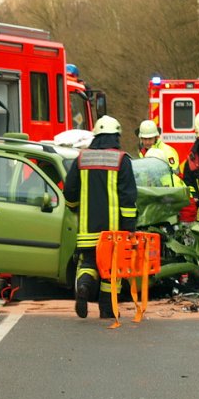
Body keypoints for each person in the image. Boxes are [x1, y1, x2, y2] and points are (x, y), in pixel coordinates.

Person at [64, 116, 138, 319]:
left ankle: (84, 287)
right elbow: (128, 198)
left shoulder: (82, 158)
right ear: (116, 136)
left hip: (87, 230)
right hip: (113, 232)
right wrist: (129, 227)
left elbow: (69, 190)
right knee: (111, 270)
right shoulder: (122, 160)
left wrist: (73, 207)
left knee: (88, 263)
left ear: (95, 136)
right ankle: (108, 309)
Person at [144, 147, 194, 228]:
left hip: (179, 220)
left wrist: (183, 226)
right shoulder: (151, 180)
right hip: (163, 219)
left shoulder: (171, 180)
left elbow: (186, 205)